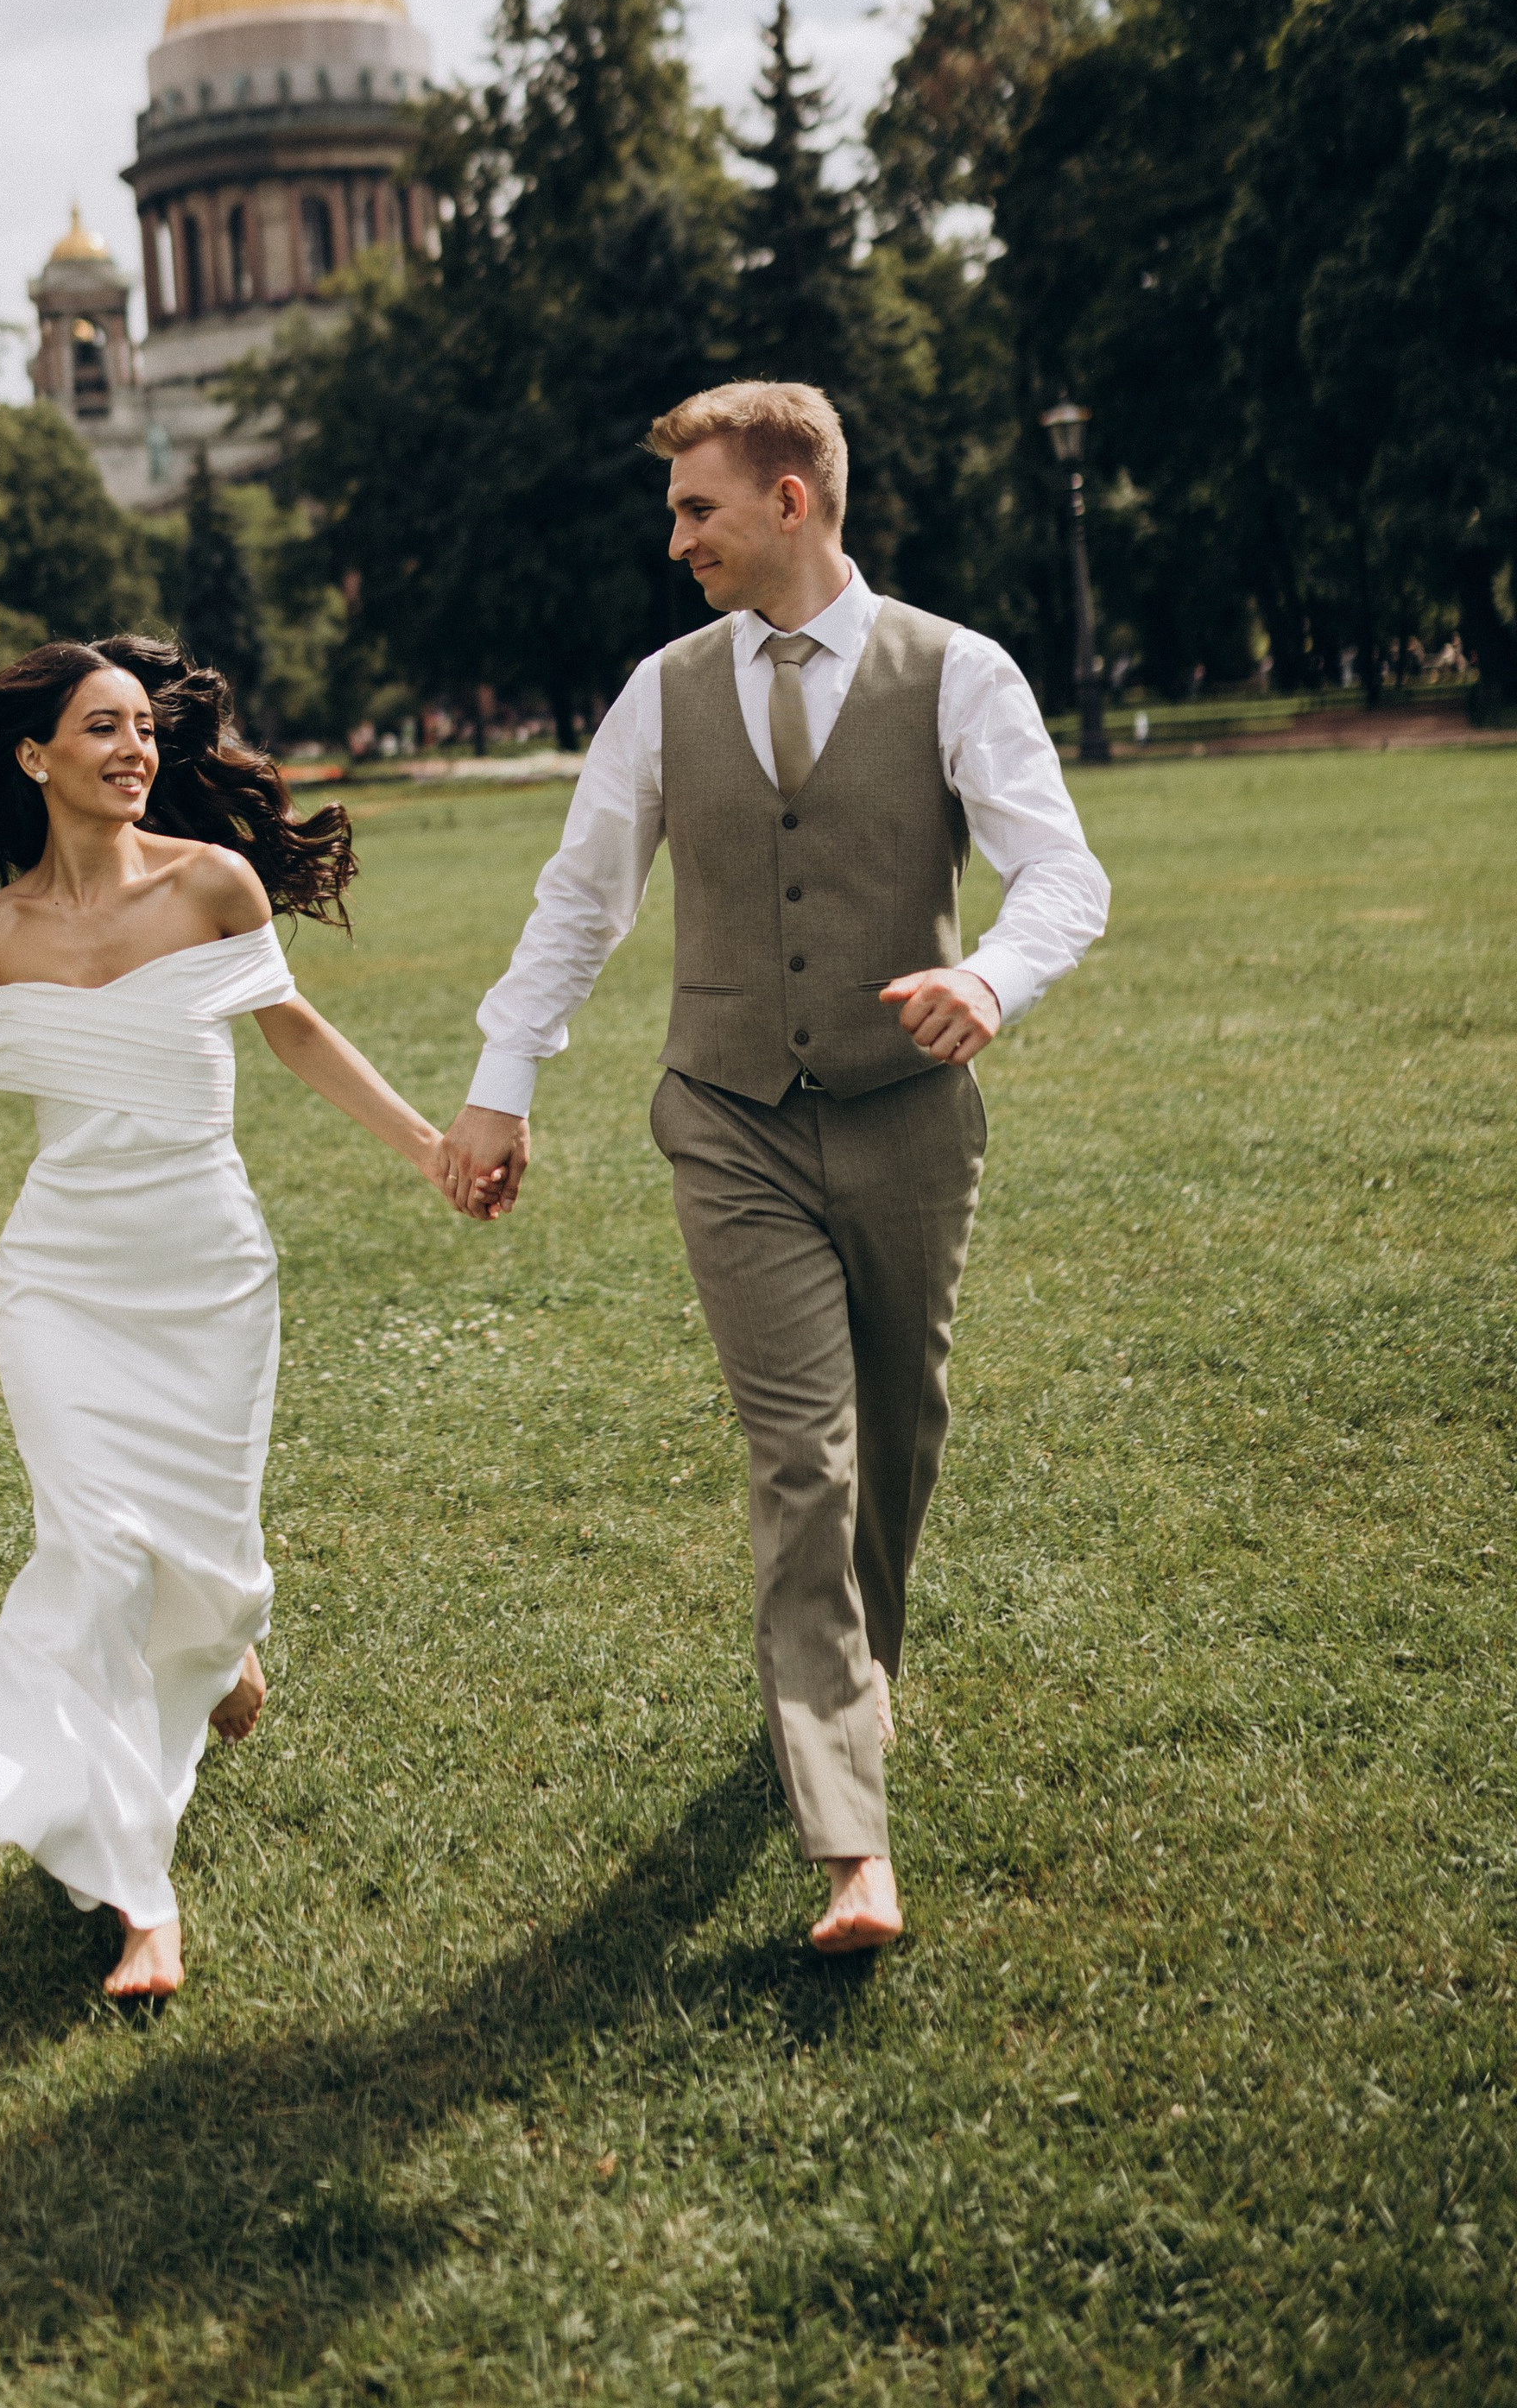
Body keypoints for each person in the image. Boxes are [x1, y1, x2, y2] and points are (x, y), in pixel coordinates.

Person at [438, 382, 1109, 1956]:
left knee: (897, 1434)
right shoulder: (660, 691)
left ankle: (846, 1681)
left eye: (697, 510)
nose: (675, 539)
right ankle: (849, 1837)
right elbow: (583, 900)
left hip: (906, 1120)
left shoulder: (958, 672)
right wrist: (498, 1083)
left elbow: (1062, 872)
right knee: (802, 1456)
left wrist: (992, 980)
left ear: (791, 501)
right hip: (729, 1117)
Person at [0, 635, 479, 1998]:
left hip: (207, 1271)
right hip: (60, 1283)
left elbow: (295, 1030)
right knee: (93, 1553)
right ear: (35, 757)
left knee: (204, 1566)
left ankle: (215, 1642)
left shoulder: (214, 884)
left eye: (144, 728)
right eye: (101, 729)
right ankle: (144, 1897)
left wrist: (432, 1146)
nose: (135, 750)